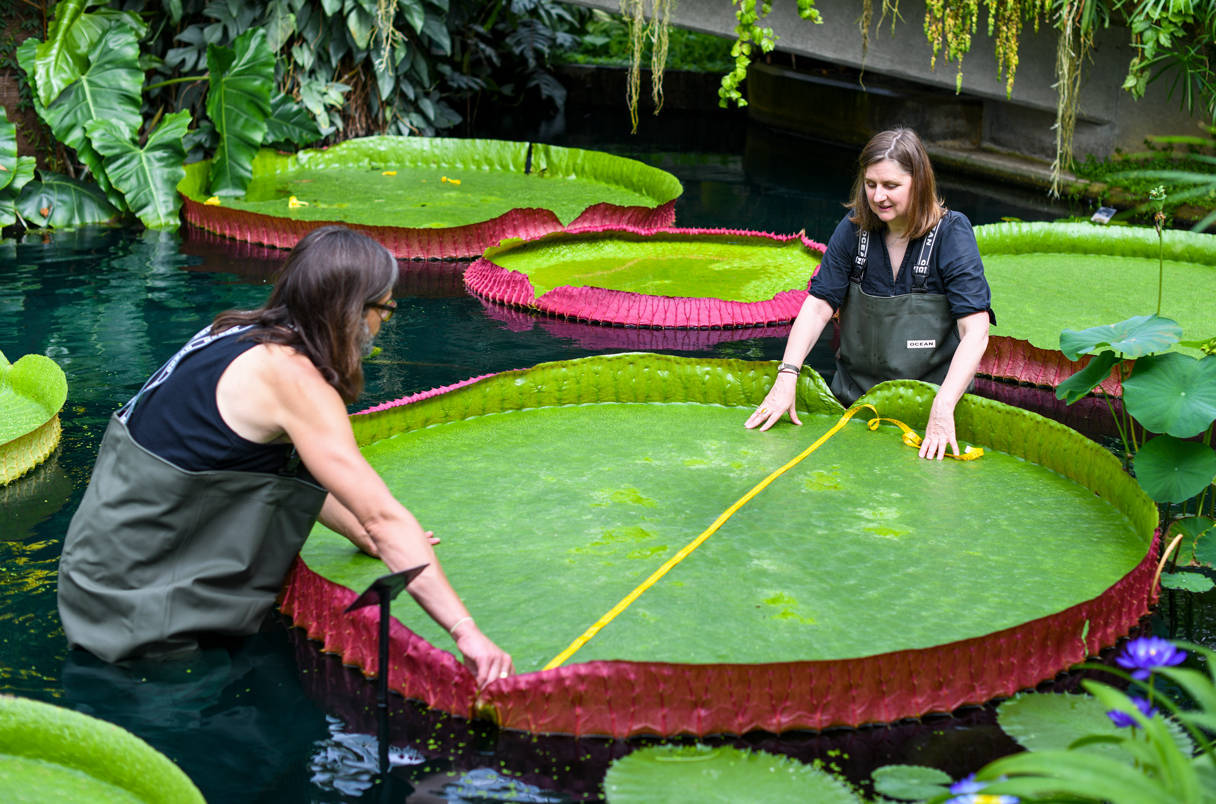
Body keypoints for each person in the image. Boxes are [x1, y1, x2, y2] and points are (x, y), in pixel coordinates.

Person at [58, 225, 513, 687]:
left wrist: (359, 533)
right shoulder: (293, 381)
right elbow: (385, 519)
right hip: (140, 613)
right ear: (351, 311)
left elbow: (287, 467)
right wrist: (466, 631)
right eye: (386, 311)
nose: (383, 327)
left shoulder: (233, 331)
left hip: (93, 577)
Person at [744, 127, 994, 460]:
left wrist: (943, 404)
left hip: (932, 407)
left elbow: (975, 331)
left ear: (919, 183)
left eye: (891, 186)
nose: (878, 197)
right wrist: (788, 374)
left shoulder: (952, 233)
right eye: (871, 184)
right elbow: (818, 307)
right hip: (854, 406)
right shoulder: (853, 230)